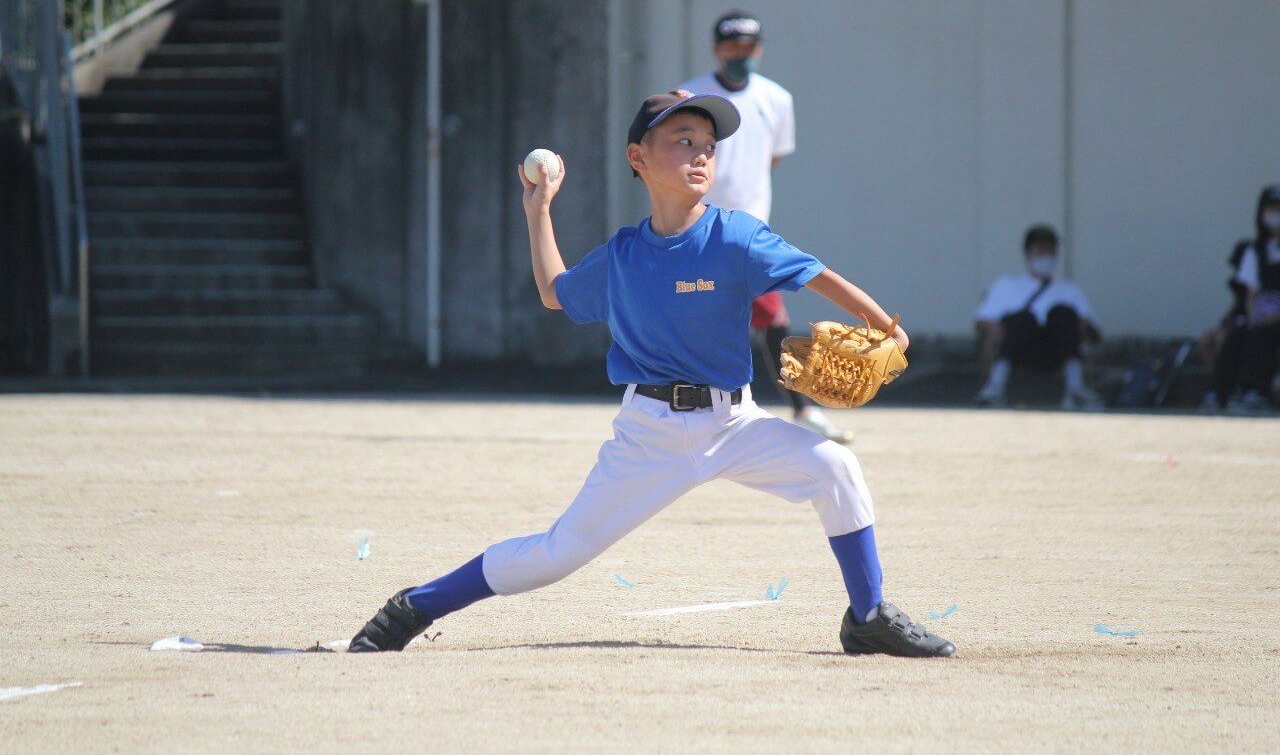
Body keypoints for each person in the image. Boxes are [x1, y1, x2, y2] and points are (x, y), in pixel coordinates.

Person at [348, 90, 955, 658]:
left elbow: (816, 273)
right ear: (638, 157)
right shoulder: (623, 256)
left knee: (835, 467)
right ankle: (413, 606)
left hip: (735, 422)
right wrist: (539, 212)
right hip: (650, 434)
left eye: (710, 146)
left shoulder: (735, 236)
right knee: (556, 556)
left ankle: (868, 615)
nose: (701, 154)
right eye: (683, 140)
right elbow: (557, 294)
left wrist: (885, 325)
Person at [680, 11, 850, 444]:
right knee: (696, 315)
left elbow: (772, 158)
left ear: (760, 49)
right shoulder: (693, 94)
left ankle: (803, 408)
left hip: (751, 230)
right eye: (733, 45)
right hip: (697, 225)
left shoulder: (777, 99)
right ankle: (691, 407)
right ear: (717, 48)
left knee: (773, 319)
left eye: (749, 46)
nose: (741, 54)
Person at [973, 224, 1104, 410]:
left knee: (1062, 312)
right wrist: (993, 327)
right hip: (1020, 348)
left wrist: (1083, 325)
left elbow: (1095, 332)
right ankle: (995, 387)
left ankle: (1075, 388)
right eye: (1040, 250)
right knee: (1022, 318)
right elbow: (981, 320)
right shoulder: (1007, 284)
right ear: (1028, 253)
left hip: (1057, 350)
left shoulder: (1069, 289)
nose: (1046, 256)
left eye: (1050, 250)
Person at [1229, 183, 1280, 413]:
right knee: (1242, 331)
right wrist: (1253, 320)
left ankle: (1259, 392)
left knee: (1267, 332)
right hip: (1262, 319)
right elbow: (1251, 293)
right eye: (1271, 210)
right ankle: (1231, 393)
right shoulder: (1255, 250)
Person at [1197, 239, 1252, 411]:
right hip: (1236, 322)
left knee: (1225, 340)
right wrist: (1226, 319)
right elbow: (1236, 305)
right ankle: (1216, 382)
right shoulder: (1238, 283)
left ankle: (1228, 387)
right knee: (1206, 339)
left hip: (1250, 327)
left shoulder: (1261, 279)